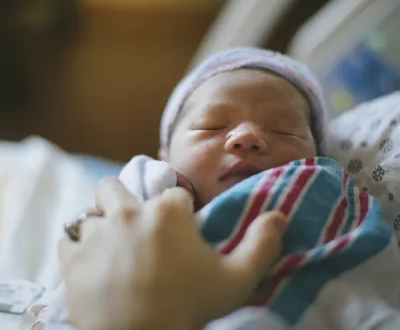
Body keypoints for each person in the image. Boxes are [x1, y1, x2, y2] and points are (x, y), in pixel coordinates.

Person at [36, 48, 400, 329]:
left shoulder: (323, 188)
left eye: (283, 130)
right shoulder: (146, 190)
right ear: (164, 155)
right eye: (211, 126)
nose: (248, 137)